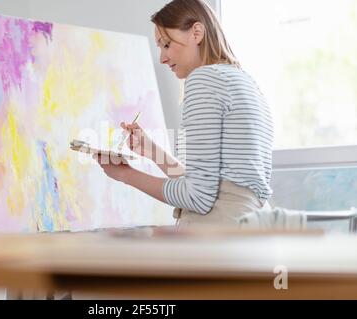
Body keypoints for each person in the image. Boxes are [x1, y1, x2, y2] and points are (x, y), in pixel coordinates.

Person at [94, 0, 273, 229]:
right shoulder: (245, 82)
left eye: (166, 45)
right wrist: (151, 151)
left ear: (196, 32)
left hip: (221, 236)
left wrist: (125, 174)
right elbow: (211, 187)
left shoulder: (204, 80)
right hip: (251, 227)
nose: (162, 57)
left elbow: (197, 197)